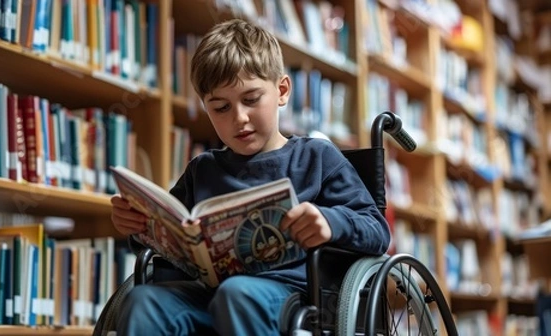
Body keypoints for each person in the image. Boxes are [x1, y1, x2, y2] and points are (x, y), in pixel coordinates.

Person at [111, 18, 390, 336]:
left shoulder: (317, 158)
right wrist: (137, 227)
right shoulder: (202, 170)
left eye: (251, 99)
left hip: (291, 299)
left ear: (282, 91)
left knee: (237, 294)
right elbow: (172, 235)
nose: (239, 118)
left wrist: (329, 222)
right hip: (208, 296)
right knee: (143, 300)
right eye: (220, 107)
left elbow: (376, 230)